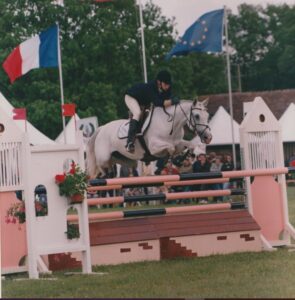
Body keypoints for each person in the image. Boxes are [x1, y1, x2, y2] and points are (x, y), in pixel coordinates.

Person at [124, 70, 178, 153]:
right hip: (131, 97)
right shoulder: (150, 87)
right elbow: (159, 103)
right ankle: (130, 142)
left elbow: (167, 100)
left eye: (168, 84)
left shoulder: (167, 87)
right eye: (165, 84)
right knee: (137, 113)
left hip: (144, 101)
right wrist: (171, 101)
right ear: (159, 82)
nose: (167, 86)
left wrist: (173, 101)